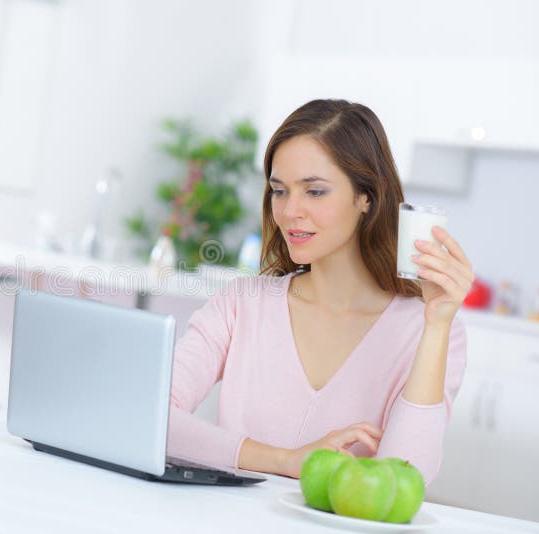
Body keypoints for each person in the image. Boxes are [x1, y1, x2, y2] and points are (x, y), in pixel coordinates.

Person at [167, 99, 474, 486]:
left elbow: (405, 477)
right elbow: (153, 415)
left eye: (314, 192)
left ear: (366, 197)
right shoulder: (242, 304)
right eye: (279, 191)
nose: (290, 211)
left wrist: (437, 325)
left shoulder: (424, 329)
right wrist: (286, 461)